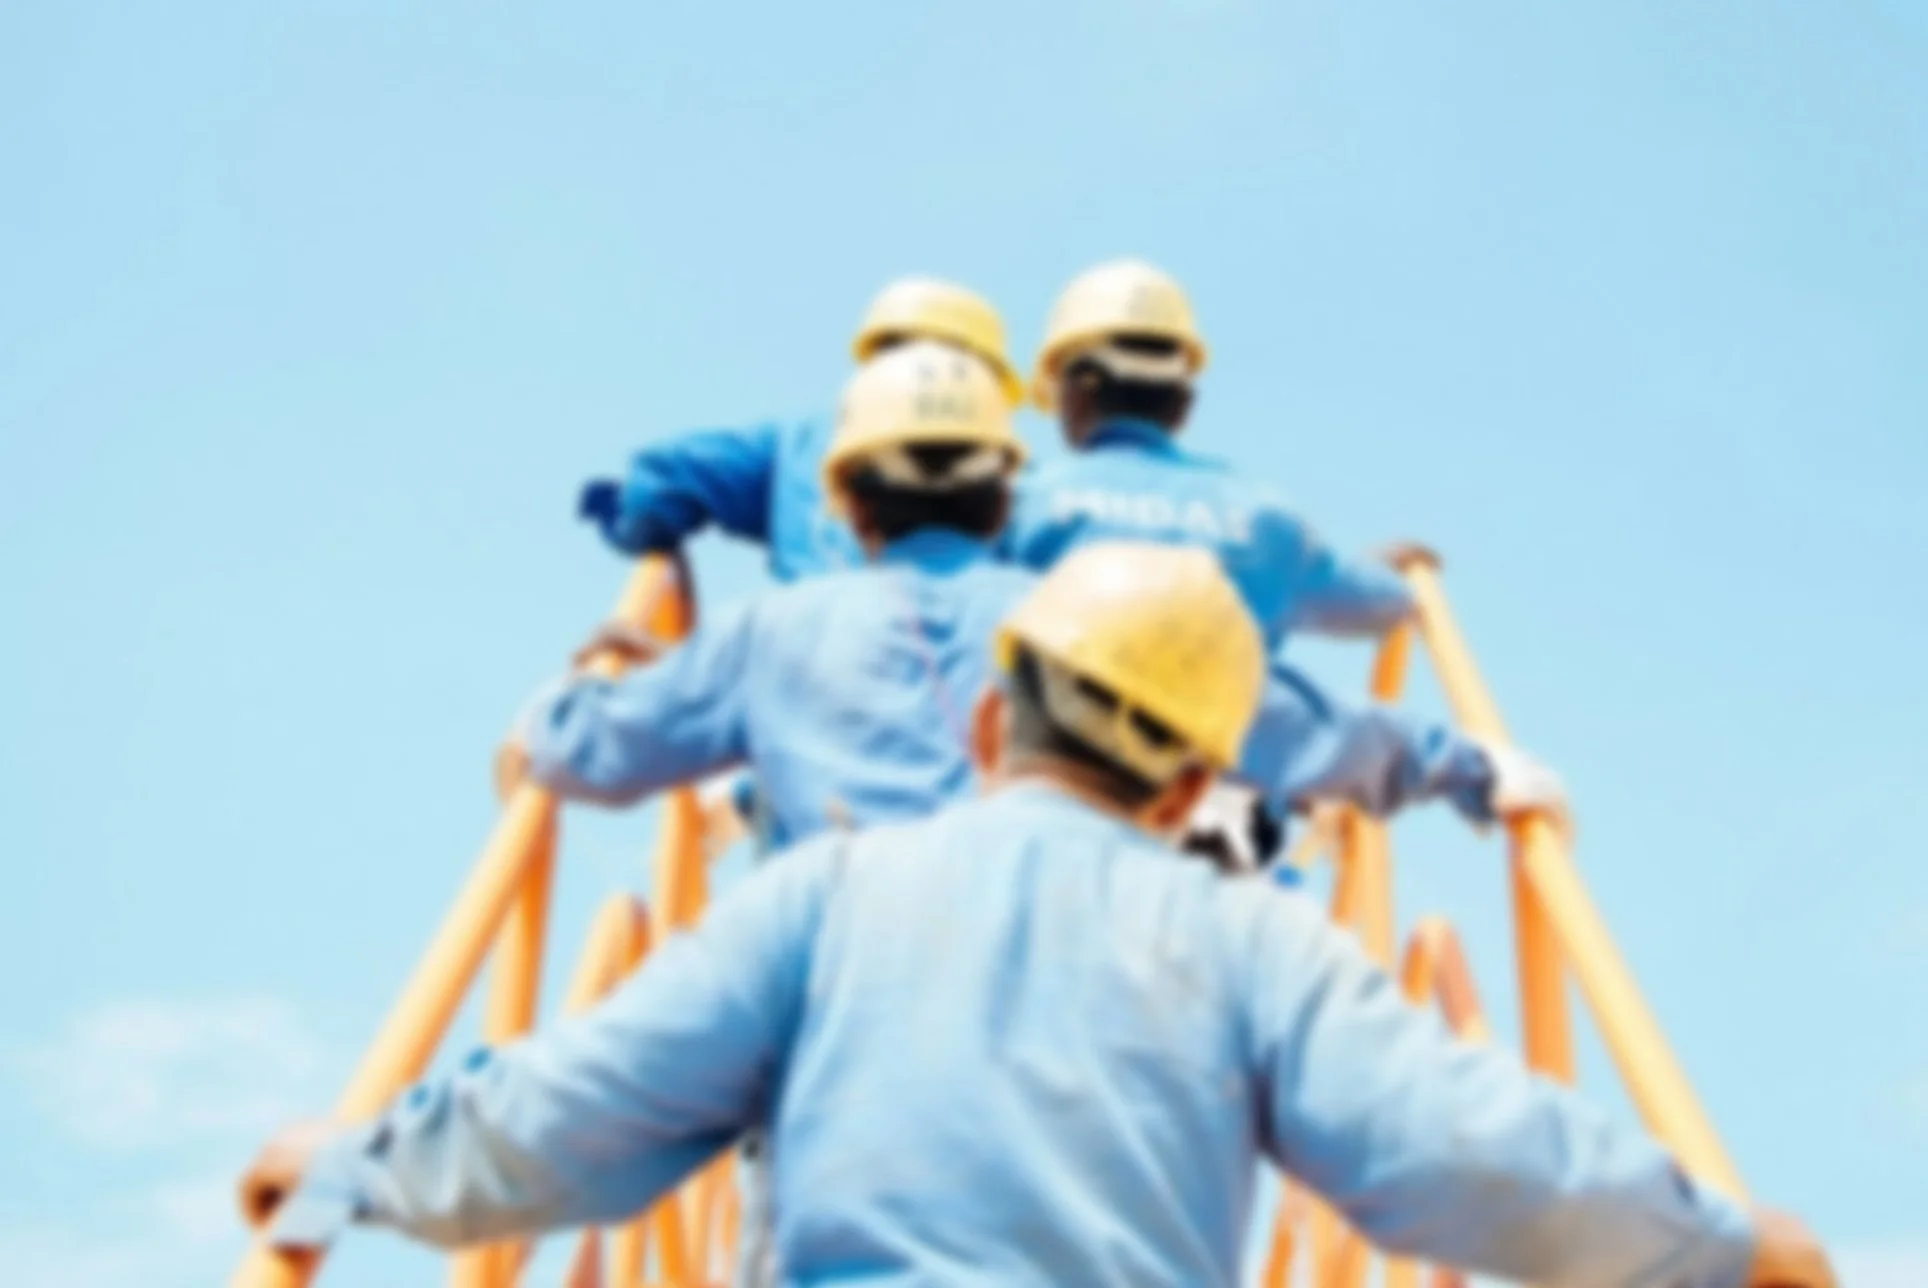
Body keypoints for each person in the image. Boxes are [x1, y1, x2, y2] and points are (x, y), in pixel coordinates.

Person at [242, 542, 1834, 1288]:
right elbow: (1458, 1144)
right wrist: (1718, 1243)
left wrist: (345, 1174)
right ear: (1186, 789)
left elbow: (572, 1114)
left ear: (990, 726)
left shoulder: (820, 899)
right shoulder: (1259, 939)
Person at [1010, 257, 1566, 869]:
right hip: (1219, 831)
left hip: (1044, 825)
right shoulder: (1265, 519)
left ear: (1072, 389)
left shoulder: (1020, 504)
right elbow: (1378, 608)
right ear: (1184, 403)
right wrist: (1457, 758)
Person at [511, 339, 1033, 852]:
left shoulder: (768, 633)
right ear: (1003, 501)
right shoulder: (1075, 620)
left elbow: (579, 749)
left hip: (833, 931)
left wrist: (579, 696)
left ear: (851, 507)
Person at [578, 276, 1024, 584]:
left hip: (803, 686)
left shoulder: (797, 443)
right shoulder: (1017, 480)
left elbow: (667, 482)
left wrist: (632, 525)